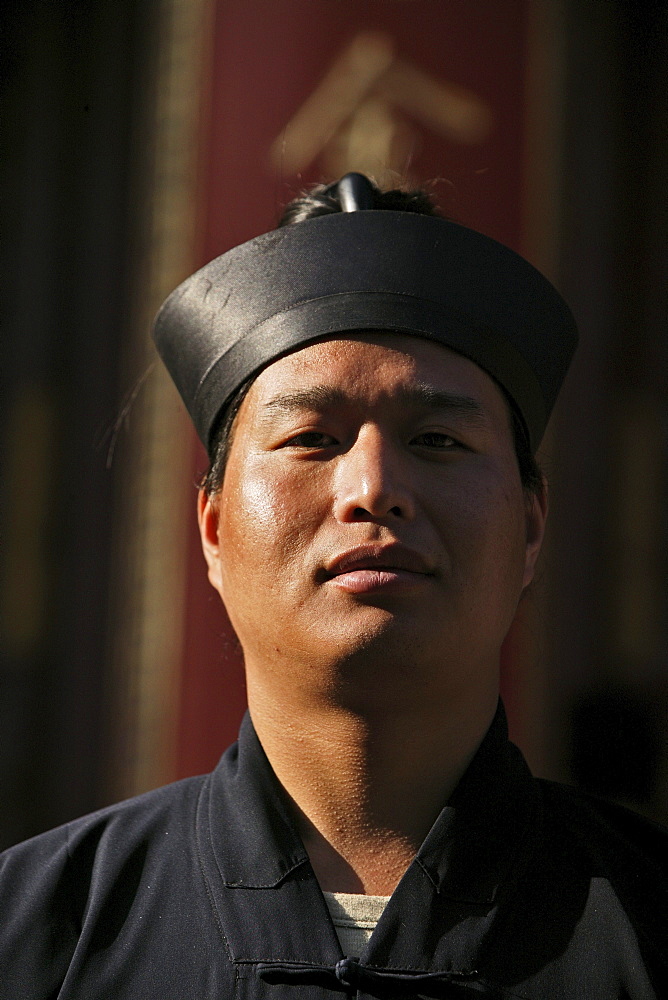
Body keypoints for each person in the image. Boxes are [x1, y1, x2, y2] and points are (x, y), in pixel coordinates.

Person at [1, 174, 666, 998]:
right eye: (312, 437)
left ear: (530, 527)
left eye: (438, 439)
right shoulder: (34, 934)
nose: (372, 487)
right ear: (213, 529)